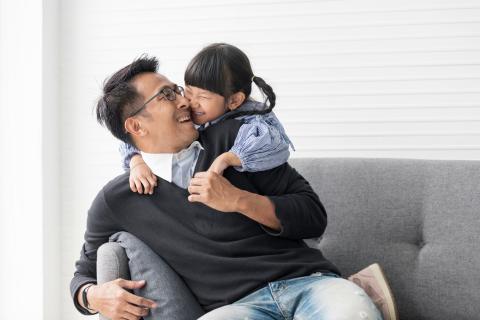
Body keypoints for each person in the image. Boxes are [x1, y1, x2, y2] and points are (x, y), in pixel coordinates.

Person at [71, 56, 395, 320]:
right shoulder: (118, 200)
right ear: (135, 125)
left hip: (307, 284)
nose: (185, 100)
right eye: (167, 95)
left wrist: (238, 200)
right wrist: (94, 296)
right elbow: (82, 275)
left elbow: (313, 215)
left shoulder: (235, 141)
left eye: (178, 90)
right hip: (236, 309)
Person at [121, 43, 293, 195]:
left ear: (234, 100)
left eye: (203, 97)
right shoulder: (196, 111)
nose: (189, 102)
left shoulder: (251, 122)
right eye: (188, 91)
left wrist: (226, 159)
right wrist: (136, 161)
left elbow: (274, 144)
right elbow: (137, 132)